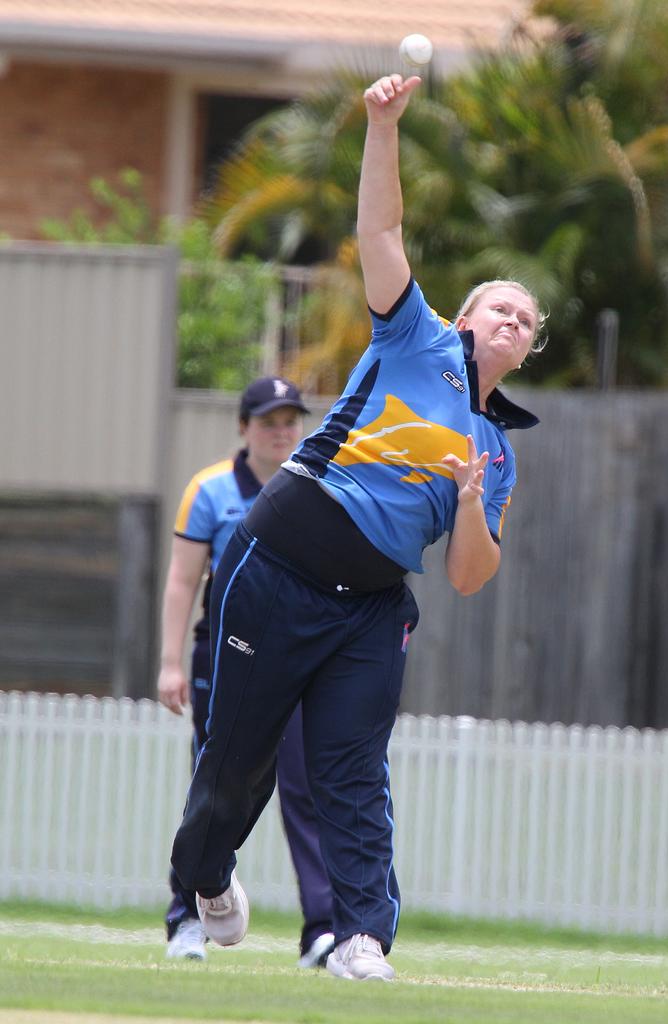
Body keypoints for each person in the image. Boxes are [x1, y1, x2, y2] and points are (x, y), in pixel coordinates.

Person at [170, 72, 544, 981]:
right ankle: (206, 879)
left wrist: (465, 507)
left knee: (351, 772)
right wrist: (384, 126)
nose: (514, 321)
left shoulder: (497, 451)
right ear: (464, 317)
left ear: (530, 350)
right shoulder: (414, 337)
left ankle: (363, 935)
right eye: (502, 305)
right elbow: (379, 231)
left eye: (529, 321)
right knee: (236, 763)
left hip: (370, 605)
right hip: (279, 557)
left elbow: (465, 576)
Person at [159, 376, 334, 968]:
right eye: (268, 420)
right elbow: (183, 580)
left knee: (308, 785)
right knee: (215, 784)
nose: (282, 430)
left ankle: (322, 930)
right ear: (243, 427)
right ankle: (188, 916)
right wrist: (168, 663)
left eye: (291, 420)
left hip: (303, 655)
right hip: (228, 655)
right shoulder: (209, 489)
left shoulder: (321, 485)